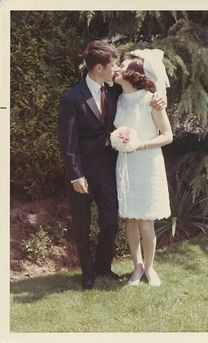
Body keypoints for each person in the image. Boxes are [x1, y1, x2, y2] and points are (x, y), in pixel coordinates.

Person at [59, 40, 166, 290]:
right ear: (98, 68)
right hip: (82, 174)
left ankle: (103, 267)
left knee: (109, 222)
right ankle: (87, 274)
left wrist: (159, 96)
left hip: (109, 170)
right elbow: (68, 142)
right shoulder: (72, 97)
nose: (116, 69)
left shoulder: (115, 92)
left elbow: (142, 91)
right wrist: (76, 175)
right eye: (112, 65)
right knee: (83, 225)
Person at [113, 49, 173, 286]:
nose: (117, 68)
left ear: (134, 74)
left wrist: (140, 145)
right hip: (125, 164)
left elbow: (168, 135)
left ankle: (149, 268)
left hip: (147, 162)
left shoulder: (151, 100)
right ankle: (136, 266)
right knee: (130, 219)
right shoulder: (117, 98)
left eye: (123, 66)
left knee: (146, 221)